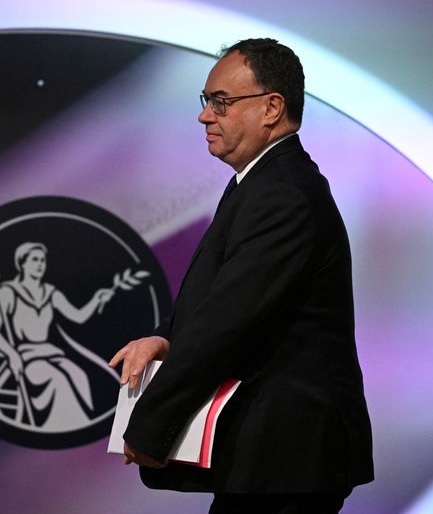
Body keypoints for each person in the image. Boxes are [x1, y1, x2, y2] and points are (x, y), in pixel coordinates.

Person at [109, 38, 373, 513]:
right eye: (207, 101)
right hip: (275, 461)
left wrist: (151, 424)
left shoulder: (283, 195)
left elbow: (227, 323)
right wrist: (164, 339)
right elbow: (223, 298)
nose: (205, 116)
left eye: (222, 102)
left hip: (290, 460)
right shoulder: (260, 184)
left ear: (272, 108)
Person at [0, 242, 115, 430]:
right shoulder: (8, 292)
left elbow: (78, 317)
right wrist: (11, 354)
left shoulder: (50, 292)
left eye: (43, 260)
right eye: (34, 260)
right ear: (22, 264)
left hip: (50, 352)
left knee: (79, 375)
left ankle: (81, 428)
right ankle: (65, 428)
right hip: (26, 357)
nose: (40, 264)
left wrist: (96, 299)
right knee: (57, 380)